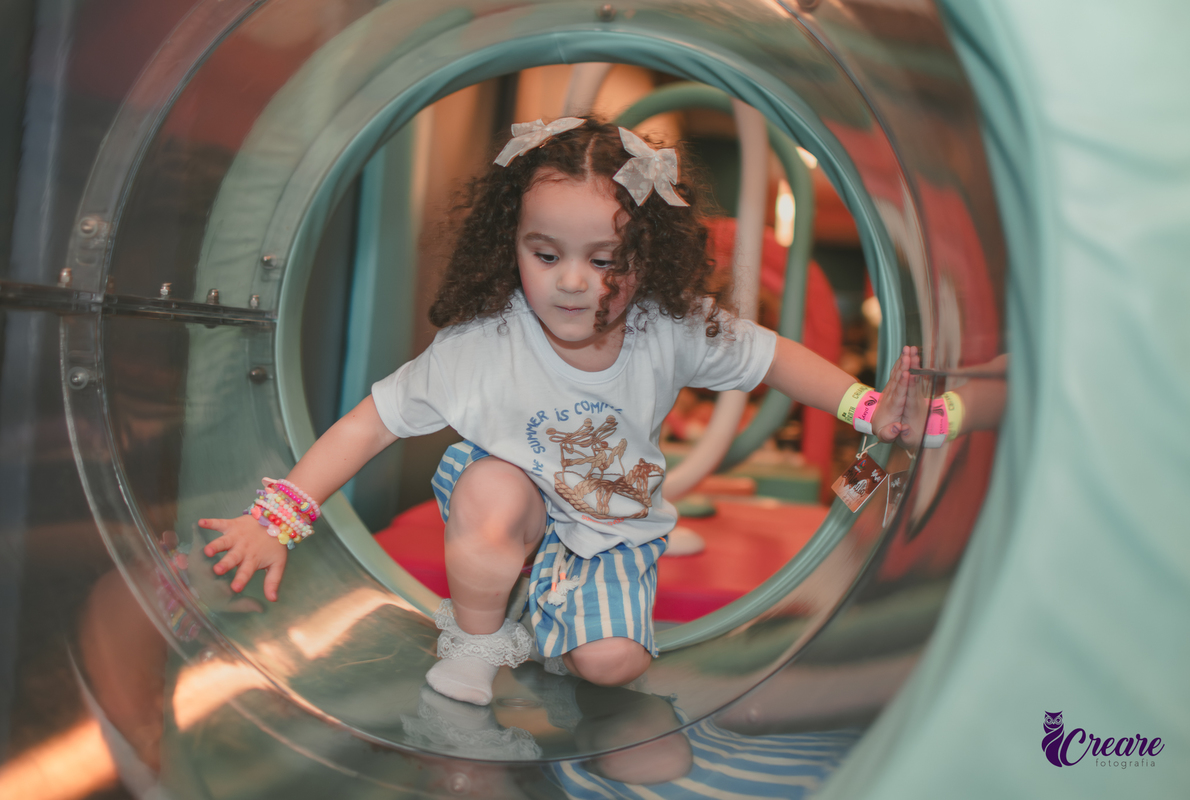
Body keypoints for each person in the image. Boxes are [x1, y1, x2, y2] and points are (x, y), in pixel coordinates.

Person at [198, 116, 916, 707]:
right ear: (510, 245)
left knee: (614, 665)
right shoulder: (483, 345)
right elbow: (369, 423)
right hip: (516, 500)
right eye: (546, 255)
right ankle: (477, 642)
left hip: (609, 527)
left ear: (649, 258)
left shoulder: (665, 328)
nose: (573, 283)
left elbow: (775, 358)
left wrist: (867, 407)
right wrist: (277, 520)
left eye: (605, 261)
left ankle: (546, 609)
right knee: (493, 488)